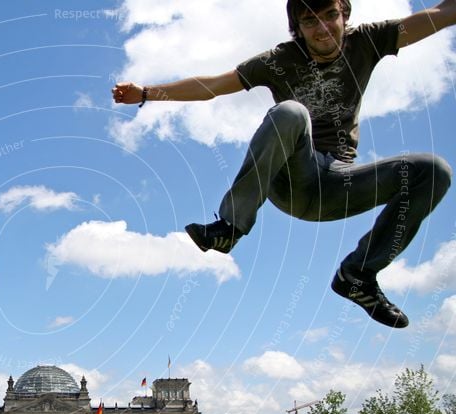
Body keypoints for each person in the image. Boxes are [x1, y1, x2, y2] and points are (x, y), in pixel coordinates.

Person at [112, 0, 455, 328]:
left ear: (344, 15)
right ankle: (230, 227)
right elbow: (213, 86)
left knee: (432, 170)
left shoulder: (368, 40)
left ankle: (358, 275)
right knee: (290, 112)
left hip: (339, 184)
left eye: (329, 15)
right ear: (298, 29)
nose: (322, 29)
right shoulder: (280, 60)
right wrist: (146, 93)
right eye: (310, 21)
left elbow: (441, 14)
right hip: (293, 179)